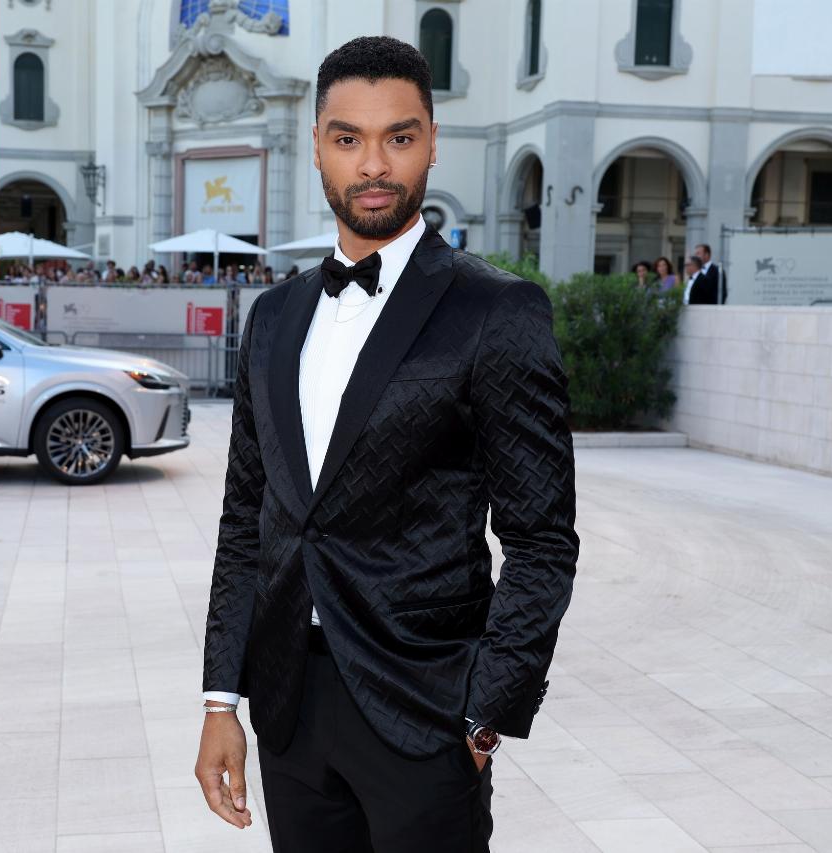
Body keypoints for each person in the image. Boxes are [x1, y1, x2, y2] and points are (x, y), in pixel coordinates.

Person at [196, 35, 578, 853]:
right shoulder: (273, 318)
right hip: (289, 708)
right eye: (349, 138)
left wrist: (484, 715)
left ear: (431, 141)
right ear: (316, 147)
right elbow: (245, 522)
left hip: (425, 712)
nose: (373, 164)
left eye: (398, 137)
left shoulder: (496, 312)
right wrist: (221, 700)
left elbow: (542, 539)